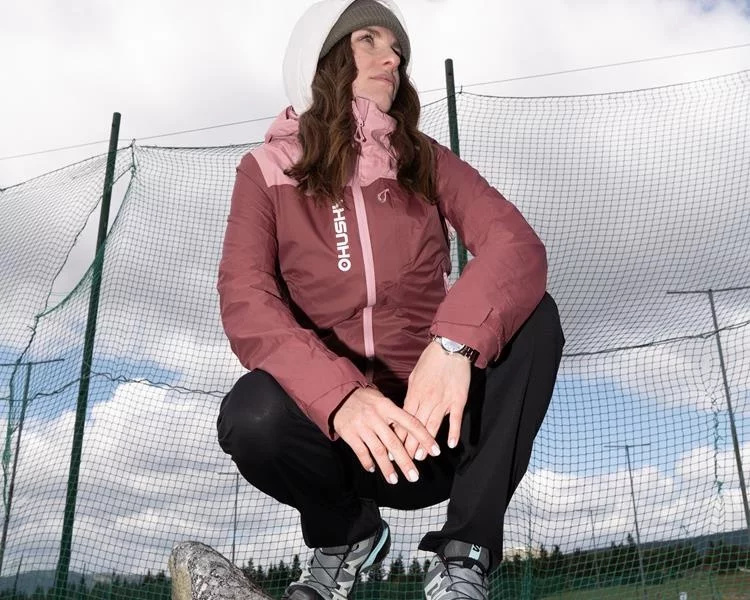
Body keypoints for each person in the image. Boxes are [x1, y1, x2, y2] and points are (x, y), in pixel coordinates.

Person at [216, 1, 565, 599]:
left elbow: (516, 245)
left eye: (398, 50)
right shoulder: (266, 169)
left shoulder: (423, 158)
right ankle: (344, 538)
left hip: (437, 427)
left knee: (535, 318)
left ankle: (465, 557)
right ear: (322, 57)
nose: (392, 59)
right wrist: (341, 397)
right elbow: (246, 298)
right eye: (370, 41)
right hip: (345, 440)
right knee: (253, 415)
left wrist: (453, 345)